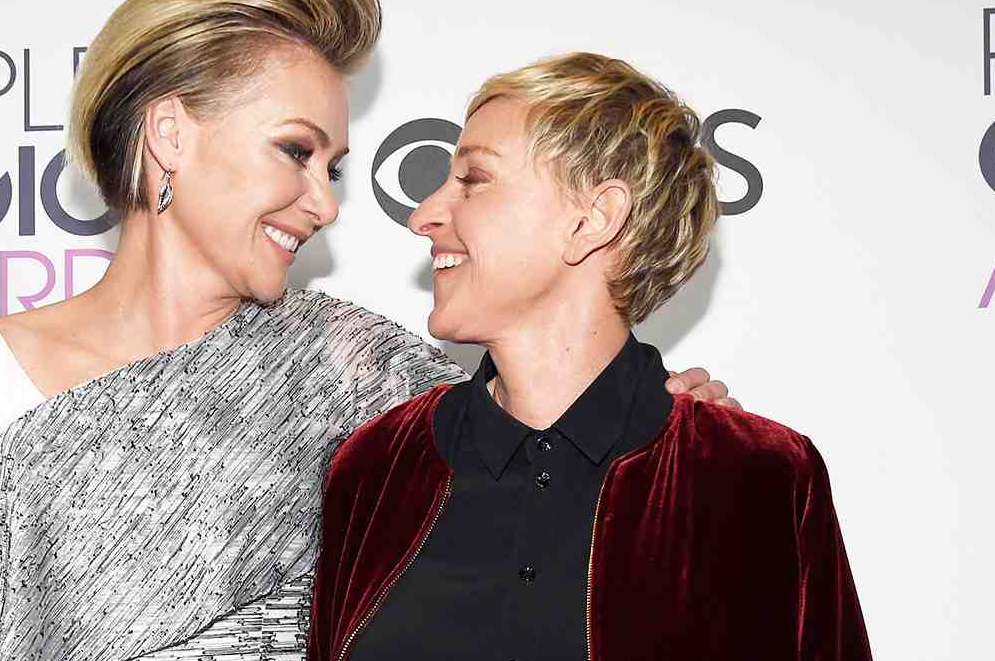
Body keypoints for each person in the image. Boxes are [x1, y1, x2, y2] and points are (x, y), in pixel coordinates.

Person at [0, 0, 737, 661]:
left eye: (335, 168)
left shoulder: (360, 373)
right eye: (295, 151)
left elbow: (550, 444)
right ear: (170, 134)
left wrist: (665, 422)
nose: (325, 202)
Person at [309, 52, 872, 661]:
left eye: (474, 180)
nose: (424, 216)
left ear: (593, 220)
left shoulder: (756, 475)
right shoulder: (377, 466)